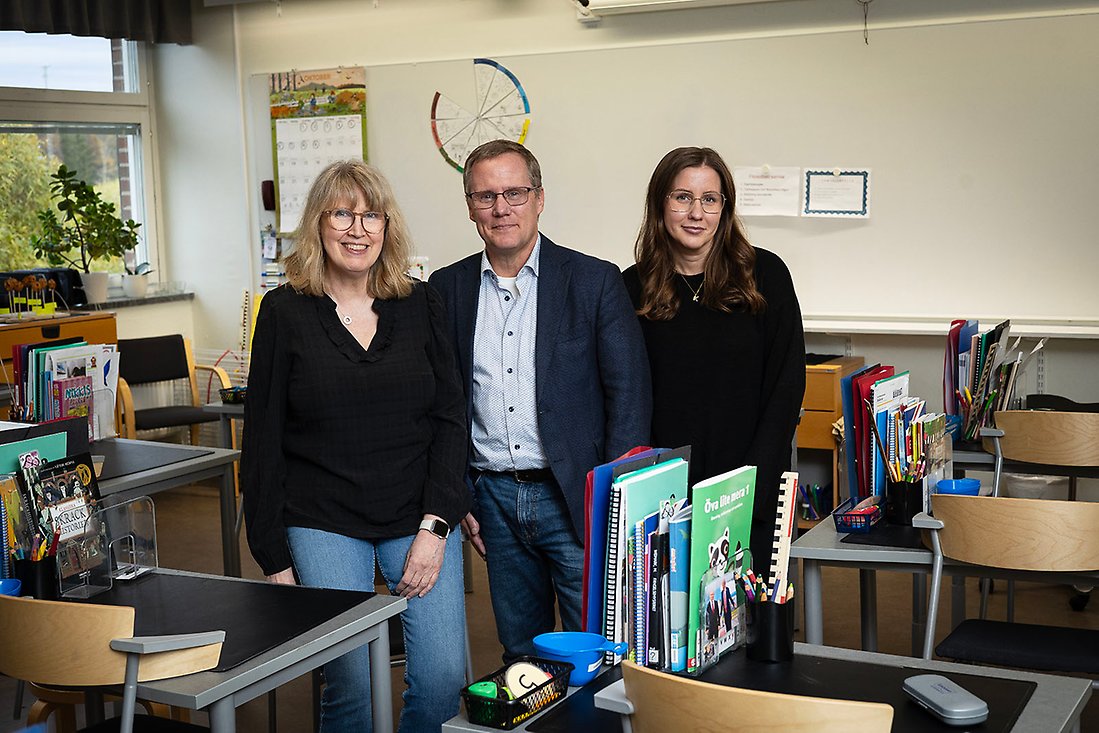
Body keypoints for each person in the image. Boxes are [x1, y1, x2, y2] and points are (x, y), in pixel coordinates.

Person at [242, 160, 470, 733]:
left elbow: (450, 419)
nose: (357, 229)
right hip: (322, 518)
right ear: (318, 224)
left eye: (371, 216)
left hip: (416, 513)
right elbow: (262, 440)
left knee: (443, 677)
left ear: (387, 227)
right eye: (342, 214)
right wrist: (274, 559)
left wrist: (436, 525)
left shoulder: (422, 304)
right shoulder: (284, 312)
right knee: (352, 681)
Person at [430, 140, 651, 661]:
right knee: (521, 653)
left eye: (515, 192)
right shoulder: (446, 288)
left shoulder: (593, 280)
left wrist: (612, 500)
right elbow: (443, 402)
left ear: (540, 198)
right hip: (493, 500)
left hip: (575, 497)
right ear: (469, 206)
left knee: (596, 651)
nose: (501, 208)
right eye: (485, 196)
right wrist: (461, 492)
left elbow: (629, 394)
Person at [623, 146, 805, 573]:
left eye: (709, 199)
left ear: (725, 207)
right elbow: (626, 395)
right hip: (665, 493)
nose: (696, 213)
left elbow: (786, 386)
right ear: (660, 203)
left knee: (749, 605)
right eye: (682, 197)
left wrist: (751, 485)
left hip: (750, 484)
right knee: (671, 606)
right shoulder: (631, 288)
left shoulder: (765, 275)